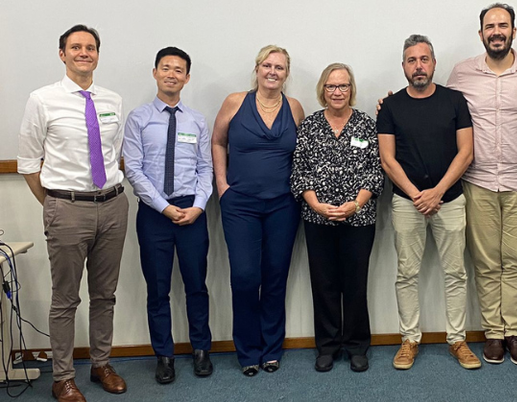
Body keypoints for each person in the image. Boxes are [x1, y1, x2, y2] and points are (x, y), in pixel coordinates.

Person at [17, 24, 128, 402]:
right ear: (62, 54)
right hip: (66, 207)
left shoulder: (112, 98)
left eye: (91, 47)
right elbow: (29, 162)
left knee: (105, 295)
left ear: (98, 54)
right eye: (76, 47)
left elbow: (114, 154)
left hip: (113, 204)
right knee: (65, 299)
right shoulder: (42, 99)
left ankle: (101, 364)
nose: (84, 52)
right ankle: (63, 378)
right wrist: (54, 204)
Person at [446, 3, 517, 365]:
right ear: (481, 34)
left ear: (513, 32)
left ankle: (515, 333)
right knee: (486, 260)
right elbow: (439, 110)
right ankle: (493, 333)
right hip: (477, 180)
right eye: (490, 26)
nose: (496, 31)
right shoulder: (461, 73)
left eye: (502, 25)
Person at [378, 34, 479, 370]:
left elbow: (466, 152)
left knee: (455, 273)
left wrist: (437, 191)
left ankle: (457, 340)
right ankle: (409, 339)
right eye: (411, 60)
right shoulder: (391, 107)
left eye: (424, 59)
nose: (418, 66)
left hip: (449, 199)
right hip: (407, 203)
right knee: (407, 273)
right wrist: (415, 194)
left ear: (433, 63)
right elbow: (387, 159)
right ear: (403, 66)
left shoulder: (454, 101)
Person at [211, 45, 305, 377]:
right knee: (245, 277)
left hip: (283, 205)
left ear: (286, 73)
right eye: (267, 65)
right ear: (257, 69)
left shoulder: (294, 108)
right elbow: (218, 142)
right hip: (240, 206)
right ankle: (247, 350)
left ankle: (271, 349)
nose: (272, 72)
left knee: (275, 275)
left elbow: (303, 156)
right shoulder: (235, 102)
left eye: (279, 67)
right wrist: (222, 185)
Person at [123, 47, 214, 384]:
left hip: (192, 210)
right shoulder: (139, 118)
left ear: (187, 78)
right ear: (155, 73)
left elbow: (206, 168)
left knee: (196, 285)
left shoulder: (196, 120)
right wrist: (163, 206)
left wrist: (199, 205)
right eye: (166, 68)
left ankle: (201, 349)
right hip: (153, 214)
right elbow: (133, 169)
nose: (172, 74)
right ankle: (164, 355)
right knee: (158, 289)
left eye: (179, 70)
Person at [290, 63, 383, 373]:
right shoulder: (310, 126)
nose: (337, 92)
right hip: (318, 219)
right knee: (324, 284)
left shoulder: (367, 126)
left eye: (343, 86)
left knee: (355, 284)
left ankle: (357, 346)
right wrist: (317, 205)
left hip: (359, 219)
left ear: (351, 89)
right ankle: (327, 346)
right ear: (323, 90)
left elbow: (375, 170)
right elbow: (299, 171)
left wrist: (355, 204)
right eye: (331, 87)